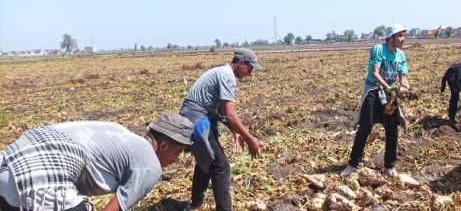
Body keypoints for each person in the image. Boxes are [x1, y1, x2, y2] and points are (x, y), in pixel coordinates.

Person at [0, 113, 193, 211]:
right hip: (41, 177)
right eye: (178, 152)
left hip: (9, 162)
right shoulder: (150, 164)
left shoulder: (119, 132)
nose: (176, 160)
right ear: (165, 144)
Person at [179, 48, 264, 211]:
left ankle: (195, 205)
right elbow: (230, 114)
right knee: (220, 166)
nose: (250, 73)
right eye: (250, 68)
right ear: (241, 63)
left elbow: (219, 111)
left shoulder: (221, 72)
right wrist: (249, 138)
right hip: (197, 118)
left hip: (199, 116)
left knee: (207, 160)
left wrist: (236, 132)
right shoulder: (227, 76)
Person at [341, 24, 410, 178]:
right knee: (365, 127)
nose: (403, 39)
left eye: (403, 35)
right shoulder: (378, 49)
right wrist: (388, 87)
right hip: (373, 90)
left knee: (392, 129)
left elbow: (403, 78)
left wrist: (404, 87)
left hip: (389, 95)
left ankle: (389, 166)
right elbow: (375, 73)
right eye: (400, 36)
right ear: (391, 37)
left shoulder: (401, 55)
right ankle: (353, 164)